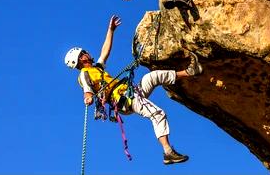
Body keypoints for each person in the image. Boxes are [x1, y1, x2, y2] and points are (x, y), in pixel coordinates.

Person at [64, 15, 203, 165]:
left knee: (153, 77)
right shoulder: (84, 74)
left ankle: (190, 71)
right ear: (80, 59)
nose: (87, 53)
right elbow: (87, 90)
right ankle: (168, 152)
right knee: (157, 113)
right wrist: (88, 98)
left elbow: (105, 52)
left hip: (131, 92)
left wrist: (111, 30)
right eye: (83, 53)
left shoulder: (96, 68)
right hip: (124, 100)